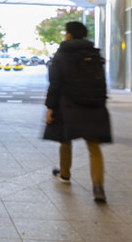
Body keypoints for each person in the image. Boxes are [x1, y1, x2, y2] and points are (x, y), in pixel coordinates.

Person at [43, 21, 112, 202]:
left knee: (65, 140)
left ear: (69, 34)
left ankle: (65, 174)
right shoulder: (94, 53)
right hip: (93, 104)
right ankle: (98, 186)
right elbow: (101, 82)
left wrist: (50, 108)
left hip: (69, 104)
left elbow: (55, 83)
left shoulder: (62, 53)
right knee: (93, 146)